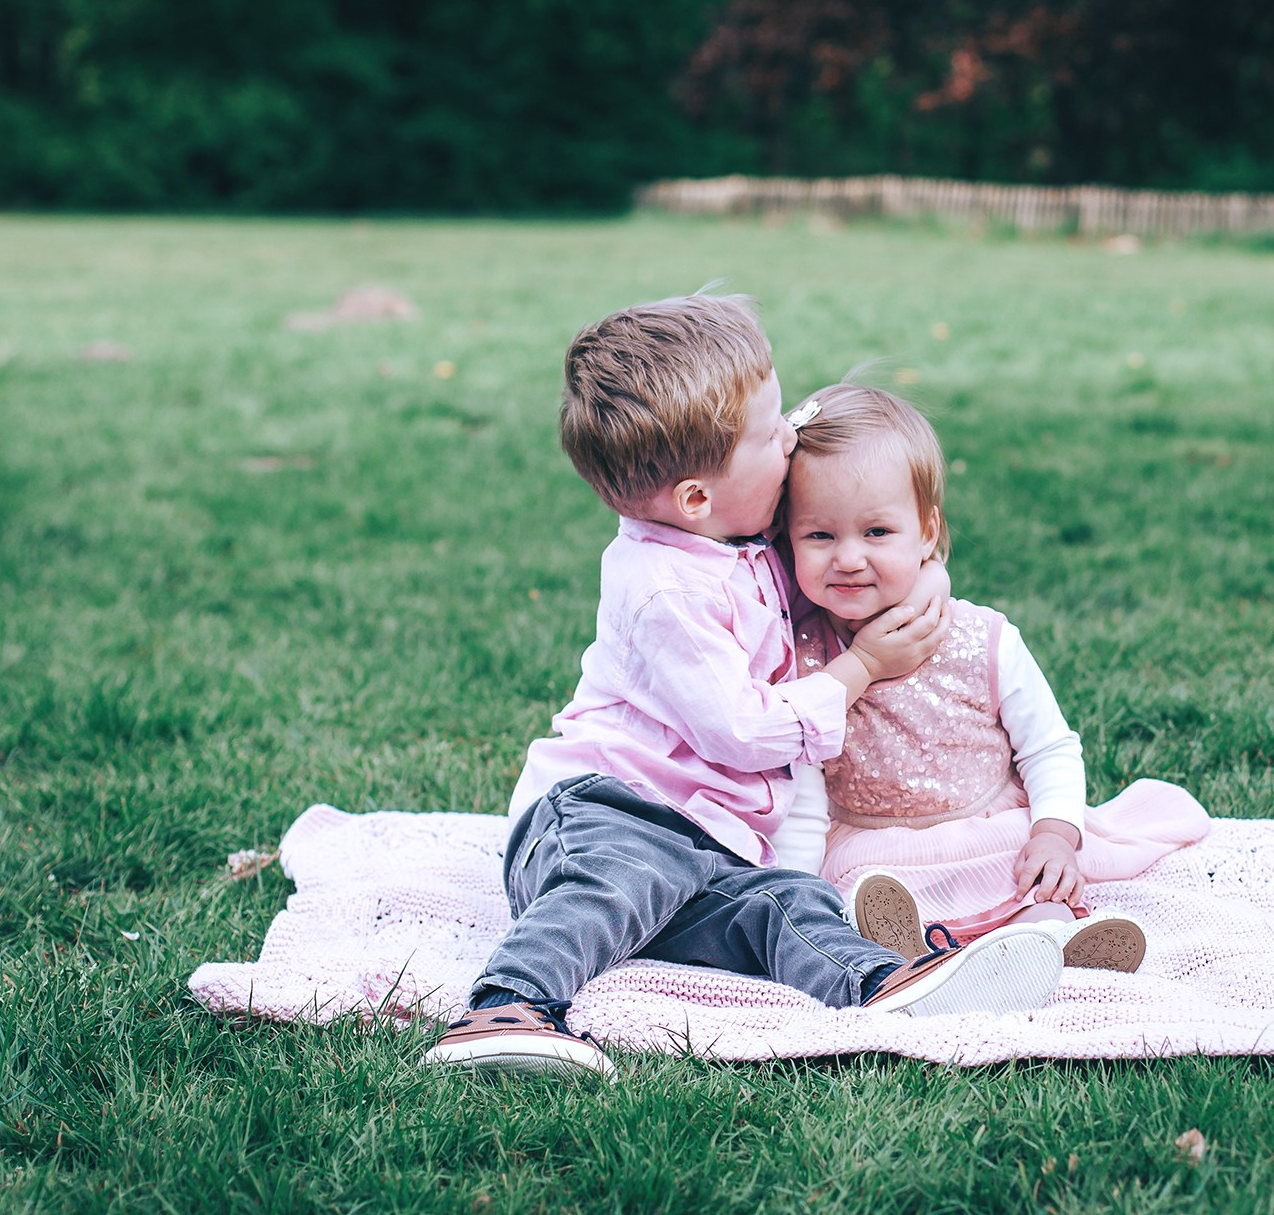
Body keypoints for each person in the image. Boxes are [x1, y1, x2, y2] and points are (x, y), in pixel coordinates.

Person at [424, 295, 1065, 1077]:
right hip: (605, 813)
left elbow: (851, 554)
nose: (790, 437)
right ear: (696, 495)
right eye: (770, 434)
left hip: (709, 849)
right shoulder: (664, 588)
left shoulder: (730, 533)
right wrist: (859, 669)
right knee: (622, 880)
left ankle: (881, 983)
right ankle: (505, 1006)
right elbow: (744, 730)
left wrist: (921, 580)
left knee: (784, 903)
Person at [774, 383, 1212, 973]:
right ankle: (901, 949)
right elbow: (803, 801)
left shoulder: (984, 639)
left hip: (986, 827)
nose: (848, 557)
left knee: (1030, 868)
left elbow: (1049, 746)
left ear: (927, 532)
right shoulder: (807, 665)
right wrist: (795, 894)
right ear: (787, 540)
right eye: (820, 536)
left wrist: (1056, 834)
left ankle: (1049, 941)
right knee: (859, 887)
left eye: (877, 532)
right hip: (875, 846)